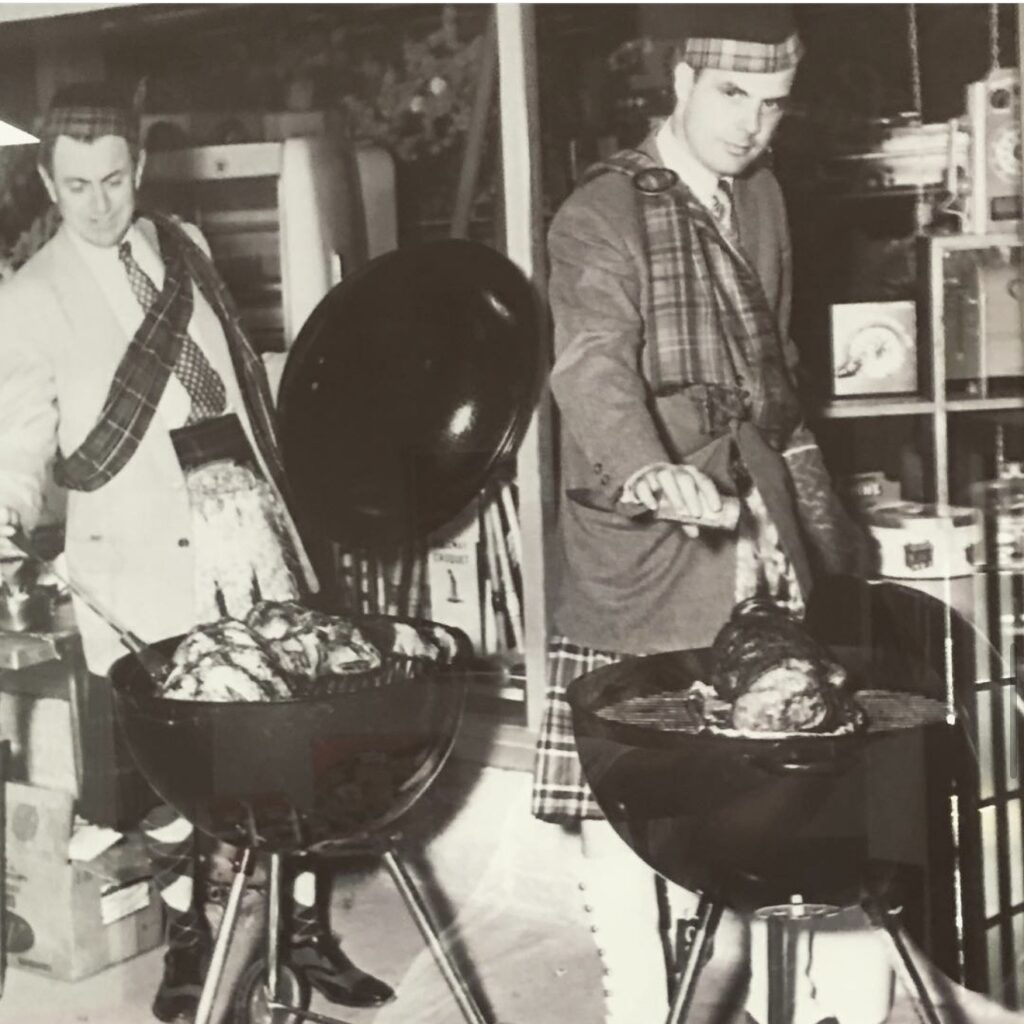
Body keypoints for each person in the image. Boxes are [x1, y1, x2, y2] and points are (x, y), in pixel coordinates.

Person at [0, 82, 393, 1023]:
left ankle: (303, 936)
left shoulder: (186, 247)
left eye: (115, 179)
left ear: (139, 168)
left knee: (291, 751)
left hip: (252, 531)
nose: (99, 204)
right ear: (48, 182)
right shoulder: (28, 297)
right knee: (187, 785)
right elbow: (20, 441)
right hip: (140, 567)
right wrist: (5, 515)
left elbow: (239, 376)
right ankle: (194, 953)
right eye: (77, 185)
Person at [531, 7, 871, 1024]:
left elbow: (775, 376)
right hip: (635, 548)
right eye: (731, 94)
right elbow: (590, 361)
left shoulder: (760, 199)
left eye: (772, 103)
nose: (751, 125)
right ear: (679, 79)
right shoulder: (597, 214)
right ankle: (638, 1003)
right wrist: (648, 468)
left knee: (776, 780)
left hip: (752, 533)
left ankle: (804, 1001)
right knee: (624, 801)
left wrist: (813, 515)